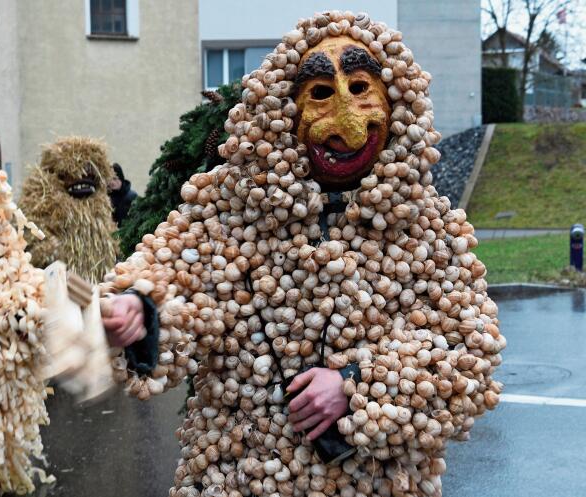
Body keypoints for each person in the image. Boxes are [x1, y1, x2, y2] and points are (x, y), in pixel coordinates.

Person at [99, 10, 505, 497]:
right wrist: (138, 308)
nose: (348, 124)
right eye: (320, 94)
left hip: (372, 482)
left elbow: (469, 353)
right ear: (285, 110)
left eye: (360, 88)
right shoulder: (230, 208)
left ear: (396, 103)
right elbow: (175, 274)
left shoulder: (428, 226)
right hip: (240, 475)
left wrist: (356, 387)